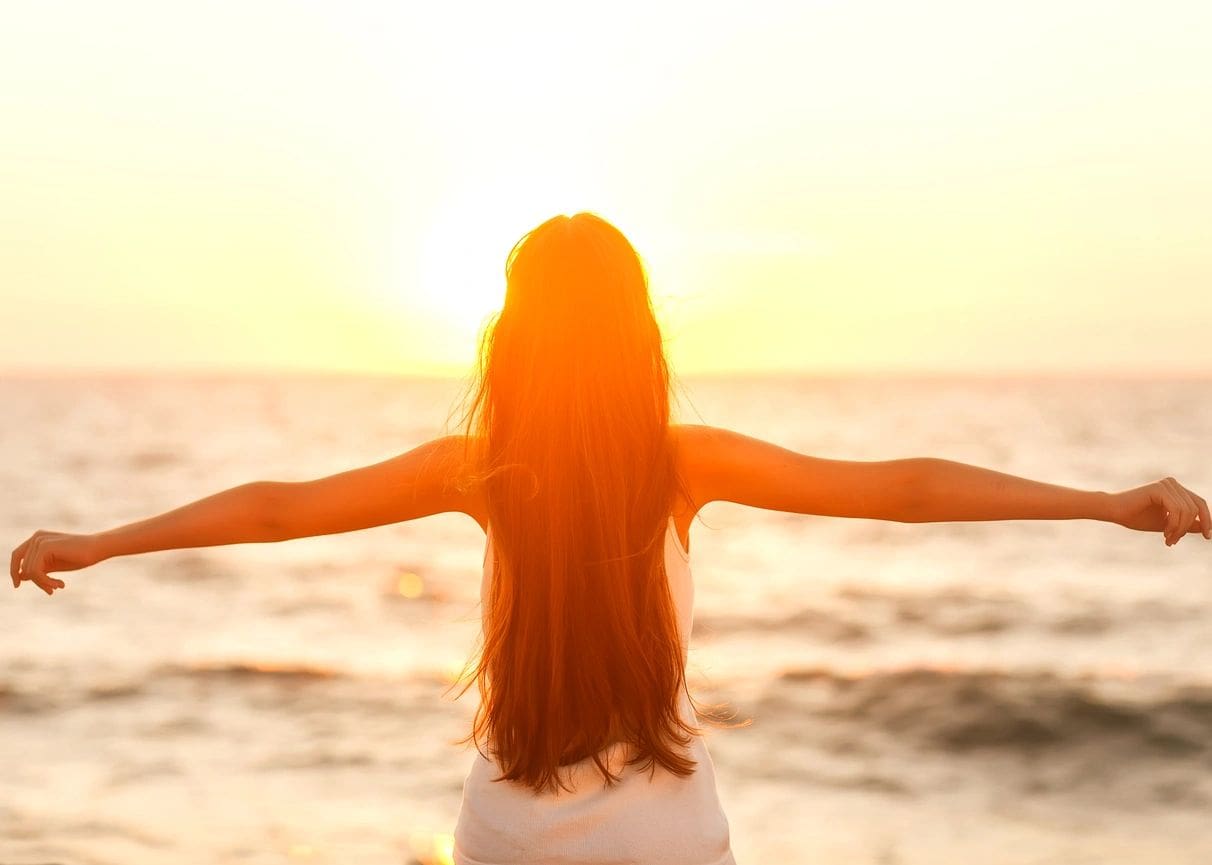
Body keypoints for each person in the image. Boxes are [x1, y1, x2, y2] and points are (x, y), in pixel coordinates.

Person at [9, 212, 1210, 865]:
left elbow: (275, 507)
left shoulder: (481, 471)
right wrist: (1105, 502)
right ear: (636, 332)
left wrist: (103, 538)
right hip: (663, 839)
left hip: (507, 830)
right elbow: (899, 488)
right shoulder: (680, 463)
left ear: (514, 339)